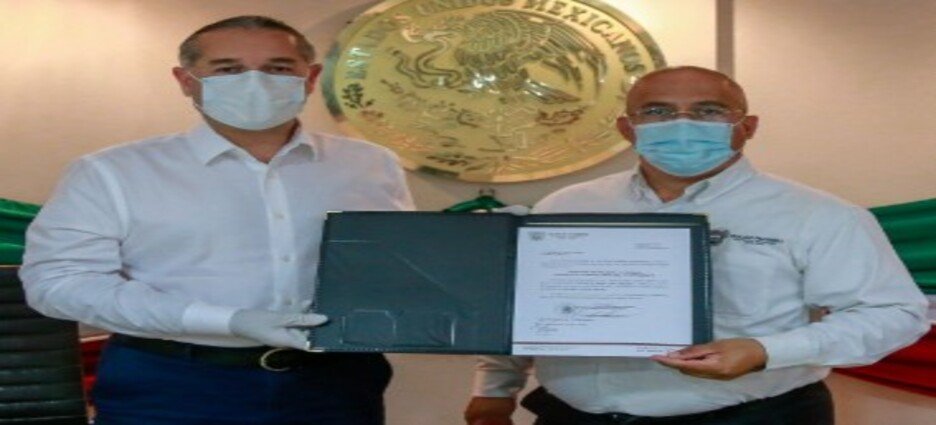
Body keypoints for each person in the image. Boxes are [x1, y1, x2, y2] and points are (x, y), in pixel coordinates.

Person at [463, 66, 930, 425]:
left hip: (752, 417)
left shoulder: (818, 214)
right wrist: (495, 388)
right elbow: (525, 303)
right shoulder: (567, 204)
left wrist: (765, 350)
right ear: (627, 128)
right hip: (573, 416)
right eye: (657, 111)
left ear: (747, 126)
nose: (682, 123)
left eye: (709, 111)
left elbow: (894, 314)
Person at [20, 16, 413, 425]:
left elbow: (398, 266)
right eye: (228, 69)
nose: (255, 82)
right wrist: (226, 321)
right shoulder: (112, 172)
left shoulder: (370, 164)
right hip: (172, 383)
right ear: (186, 81)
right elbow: (58, 285)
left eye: (278, 68)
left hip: (335, 384)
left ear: (310, 78)